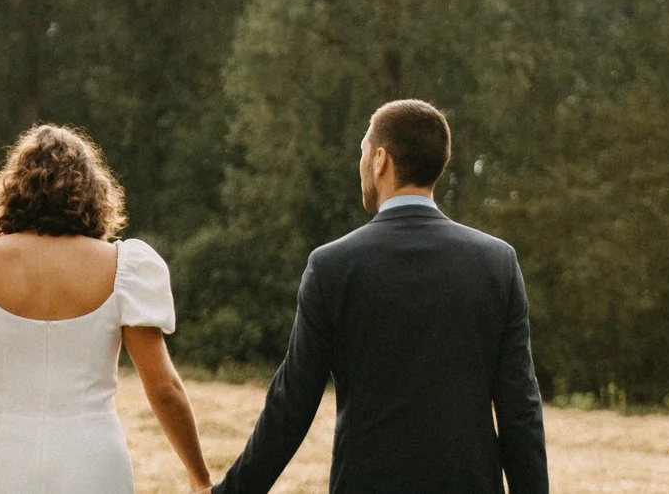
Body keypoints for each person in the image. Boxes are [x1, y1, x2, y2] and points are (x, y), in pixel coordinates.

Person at [215, 98, 548, 494]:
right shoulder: (496, 263)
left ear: (380, 160)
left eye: (362, 153)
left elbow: (291, 404)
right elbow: (520, 411)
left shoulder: (333, 266)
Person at [0, 124, 213, 494]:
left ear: (12, 189)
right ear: (92, 192)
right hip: (94, 460)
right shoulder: (125, 268)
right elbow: (164, 388)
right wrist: (201, 478)